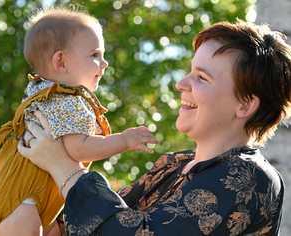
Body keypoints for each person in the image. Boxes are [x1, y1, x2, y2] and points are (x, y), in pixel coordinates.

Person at [19, 20, 290, 235]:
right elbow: (98, 221)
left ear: (245, 105)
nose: (181, 84)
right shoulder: (173, 165)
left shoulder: (251, 179)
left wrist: (62, 167)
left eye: (202, 77)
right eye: (190, 71)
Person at [0, 7, 157, 236]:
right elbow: (78, 148)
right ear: (61, 62)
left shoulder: (41, 91)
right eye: (95, 55)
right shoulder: (66, 102)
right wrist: (123, 140)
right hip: (19, 202)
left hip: (25, 197)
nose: (105, 64)